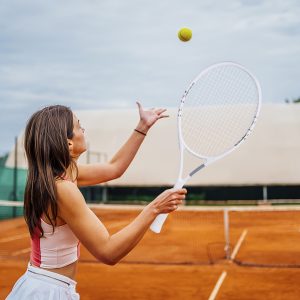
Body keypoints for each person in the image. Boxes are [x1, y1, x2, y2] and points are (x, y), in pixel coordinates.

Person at [6, 103, 187, 299]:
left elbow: (114, 167)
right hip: (48, 291)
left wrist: (142, 126)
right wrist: (154, 209)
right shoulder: (63, 190)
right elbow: (108, 252)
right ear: (68, 144)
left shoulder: (57, 178)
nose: (83, 130)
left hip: (43, 285)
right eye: (78, 126)